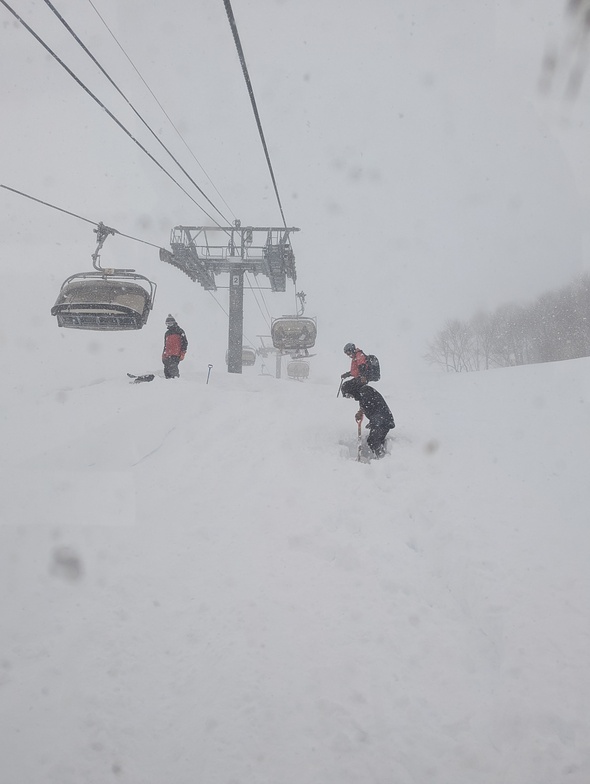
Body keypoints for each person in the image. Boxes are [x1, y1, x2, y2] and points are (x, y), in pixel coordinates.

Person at [341, 377, 395, 458]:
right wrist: (360, 413)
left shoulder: (365, 390)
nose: (351, 397)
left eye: (349, 395)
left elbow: (367, 403)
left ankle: (381, 458)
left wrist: (361, 412)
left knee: (373, 441)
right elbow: (366, 405)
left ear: (351, 390)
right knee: (374, 440)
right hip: (380, 421)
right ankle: (381, 456)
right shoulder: (362, 393)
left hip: (382, 421)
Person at [162, 315, 188, 379]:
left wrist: (183, 353)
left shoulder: (179, 331)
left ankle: (176, 381)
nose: (169, 325)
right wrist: (163, 354)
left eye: (170, 323)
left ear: (174, 323)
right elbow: (165, 345)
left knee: (173, 369)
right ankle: (168, 382)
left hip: (175, 354)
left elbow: (185, 343)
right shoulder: (167, 333)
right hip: (168, 354)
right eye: (168, 324)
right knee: (166, 371)